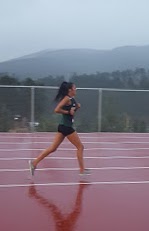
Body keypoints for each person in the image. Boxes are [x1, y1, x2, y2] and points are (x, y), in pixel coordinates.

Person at [29, 81, 90, 176]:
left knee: (53, 148)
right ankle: (82, 170)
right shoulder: (66, 98)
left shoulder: (72, 99)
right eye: (75, 88)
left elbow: (72, 111)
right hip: (67, 127)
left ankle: (34, 163)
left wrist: (77, 107)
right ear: (70, 90)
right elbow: (57, 110)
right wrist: (68, 112)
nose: (76, 89)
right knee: (80, 147)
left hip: (63, 126)